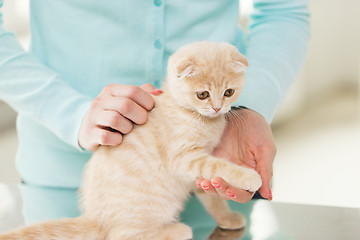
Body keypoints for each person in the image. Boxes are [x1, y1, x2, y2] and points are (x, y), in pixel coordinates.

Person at [0, 0, 310, 226]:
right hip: (63, 177)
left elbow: (283, 9)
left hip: (220, 161)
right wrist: (68, 111)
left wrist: (248, 107)